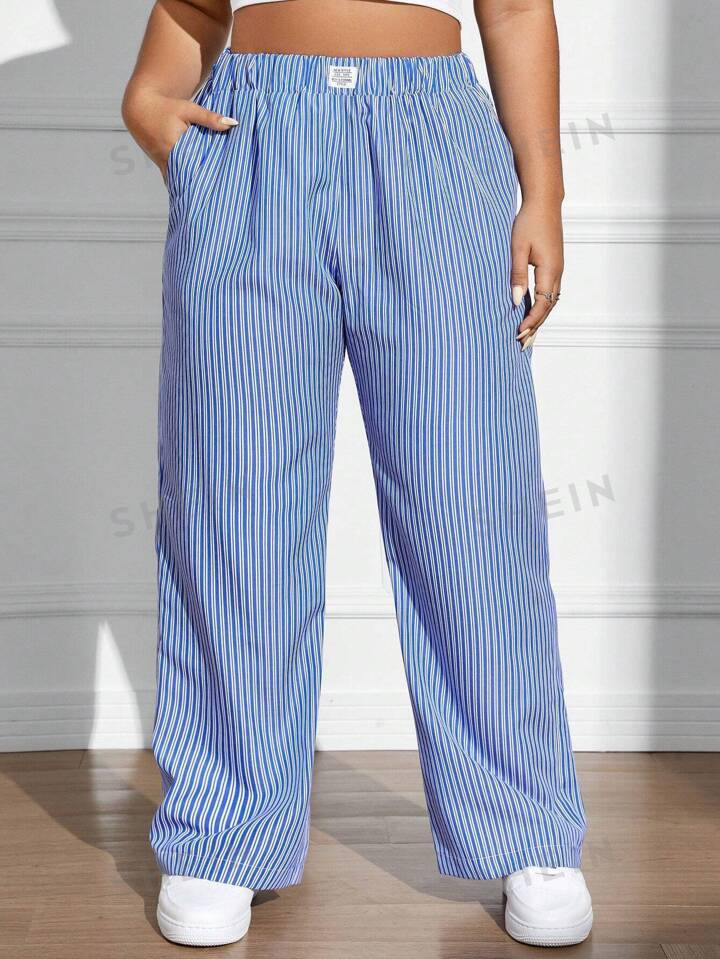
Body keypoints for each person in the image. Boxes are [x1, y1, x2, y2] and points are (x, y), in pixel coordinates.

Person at [122, 0, 592, 948]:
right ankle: (224, 825)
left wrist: (543, 190)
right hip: (254, 136)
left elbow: (513, 8)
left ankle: (526, 824)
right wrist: (151, 101)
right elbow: (191, 9)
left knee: (470, 501)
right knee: (236, 500)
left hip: (432, 139)